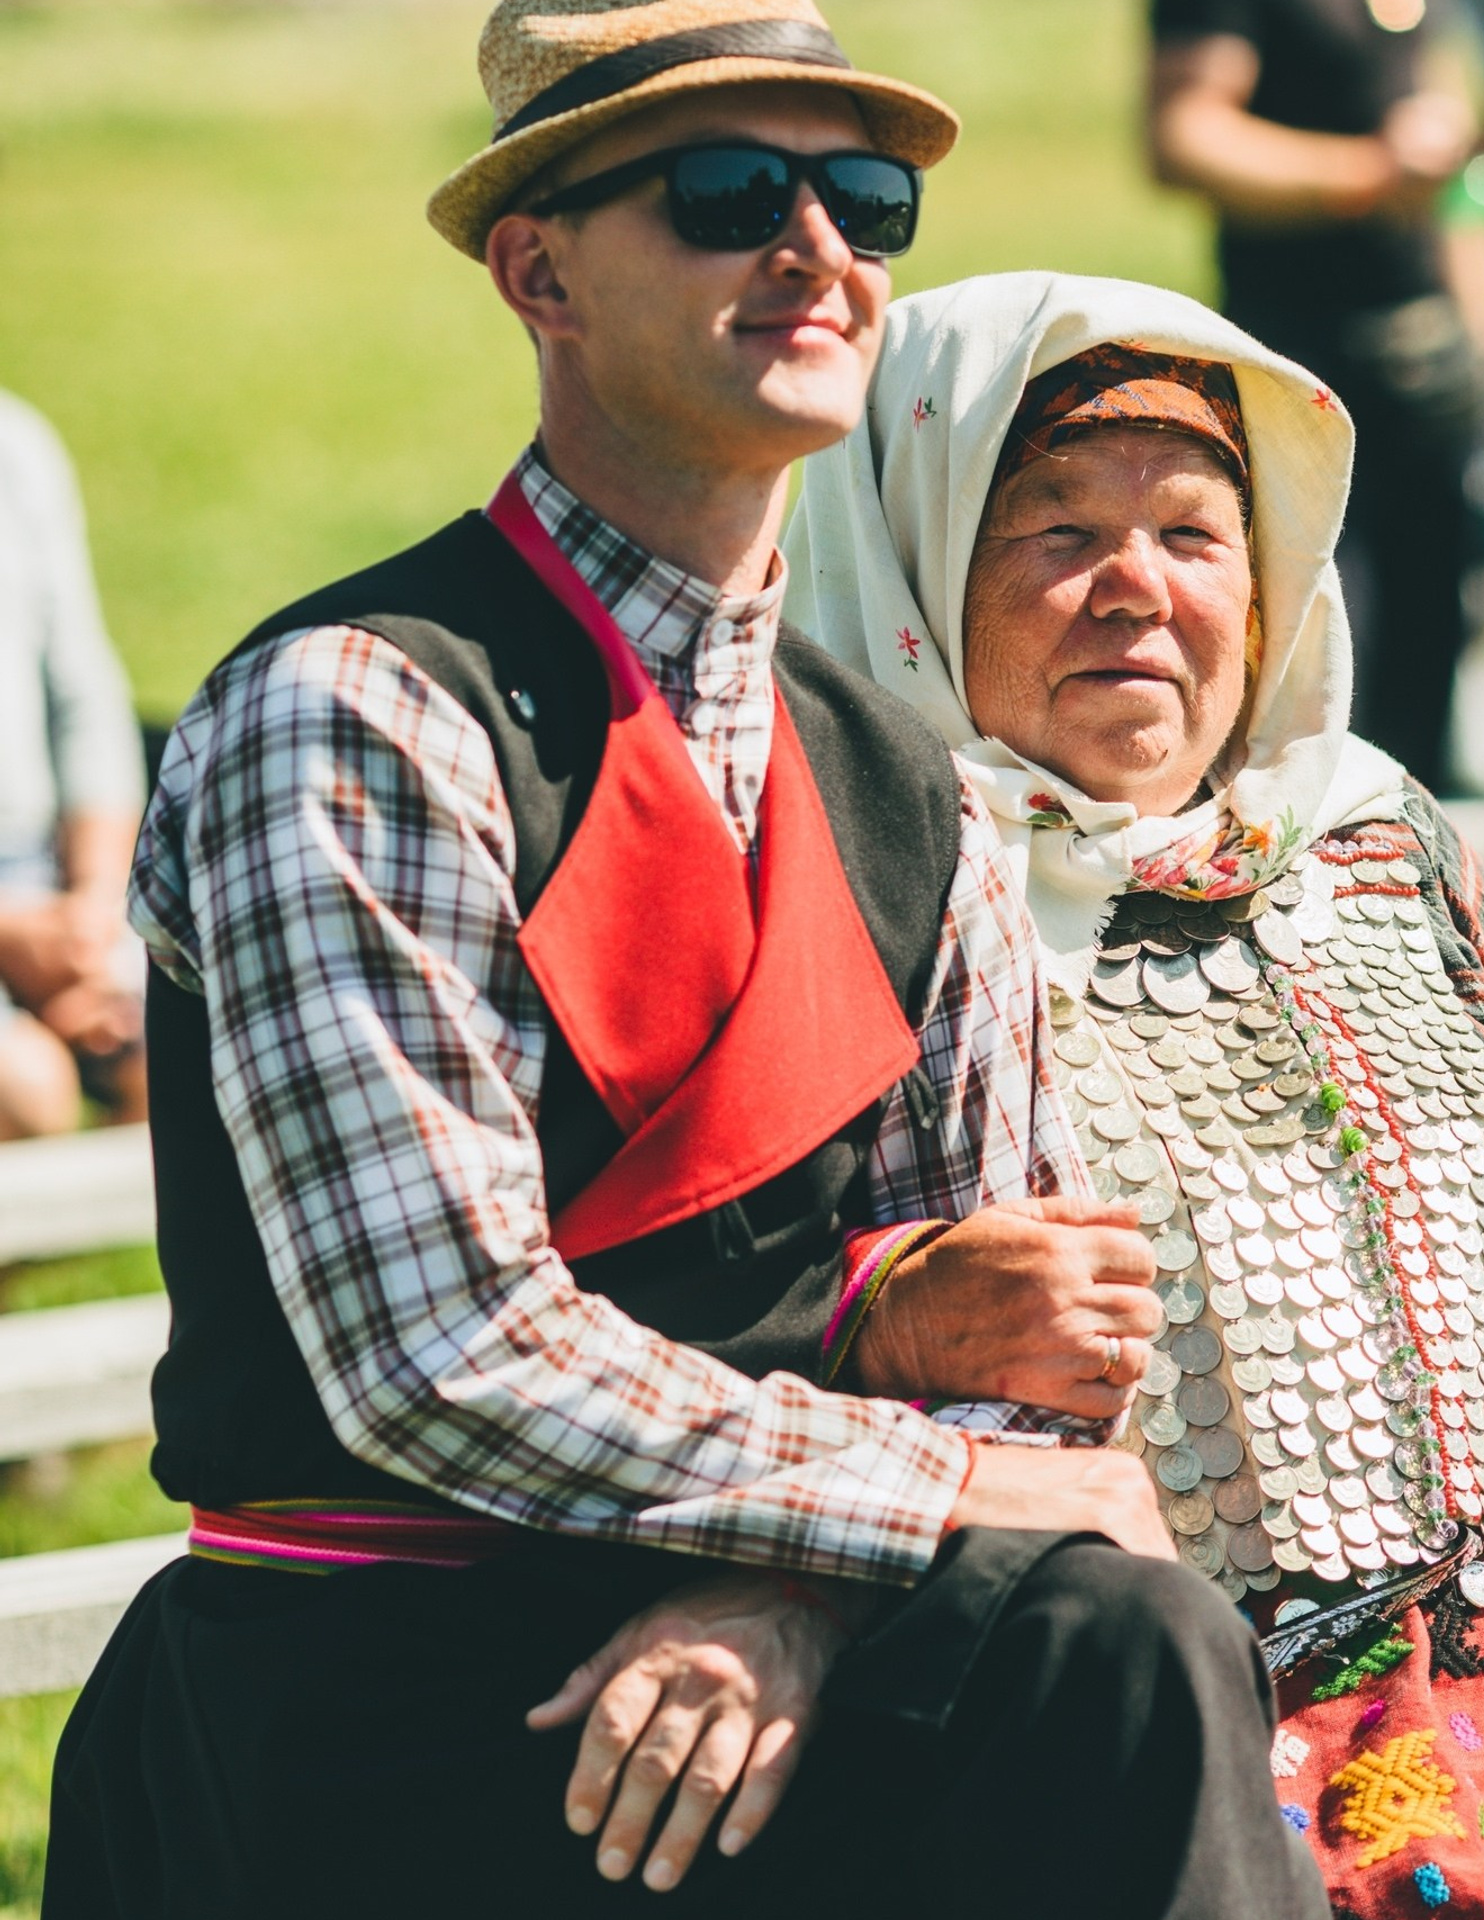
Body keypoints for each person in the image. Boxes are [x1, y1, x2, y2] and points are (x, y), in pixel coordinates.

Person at [44, 7, 1323, 1917]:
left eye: (866, 198)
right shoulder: (356, 716)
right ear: (538, 270)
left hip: (776, 1636)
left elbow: (1036, 1330)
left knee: (1119, 1645)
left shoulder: (912, 777)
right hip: (393, 1684)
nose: (817, 248)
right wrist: (925, 1499)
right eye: (731, 191)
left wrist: (794, 1584)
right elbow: (439, 1360)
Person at [781, 270, 1484, 1917]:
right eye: (1055, 531)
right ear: (918, 565)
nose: (1133, 590)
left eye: (1192, 533)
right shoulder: (854, 903)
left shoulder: (1371, 839)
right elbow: (771, 1311)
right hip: (1189, 1716)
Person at [1147, 0, 1484, 794]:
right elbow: (1183, 136)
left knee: (1427, 661)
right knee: (1326, 668)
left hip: (1427, 354)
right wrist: (1369, 175)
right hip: (1298, 360)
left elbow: (1442, 145)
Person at [0, 390, 147, 1138]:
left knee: (196, 1052)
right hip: (15, 913)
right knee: (22, 1092)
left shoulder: (15, 446)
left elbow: (83, 698)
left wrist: (91, 915)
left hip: (52, 882)